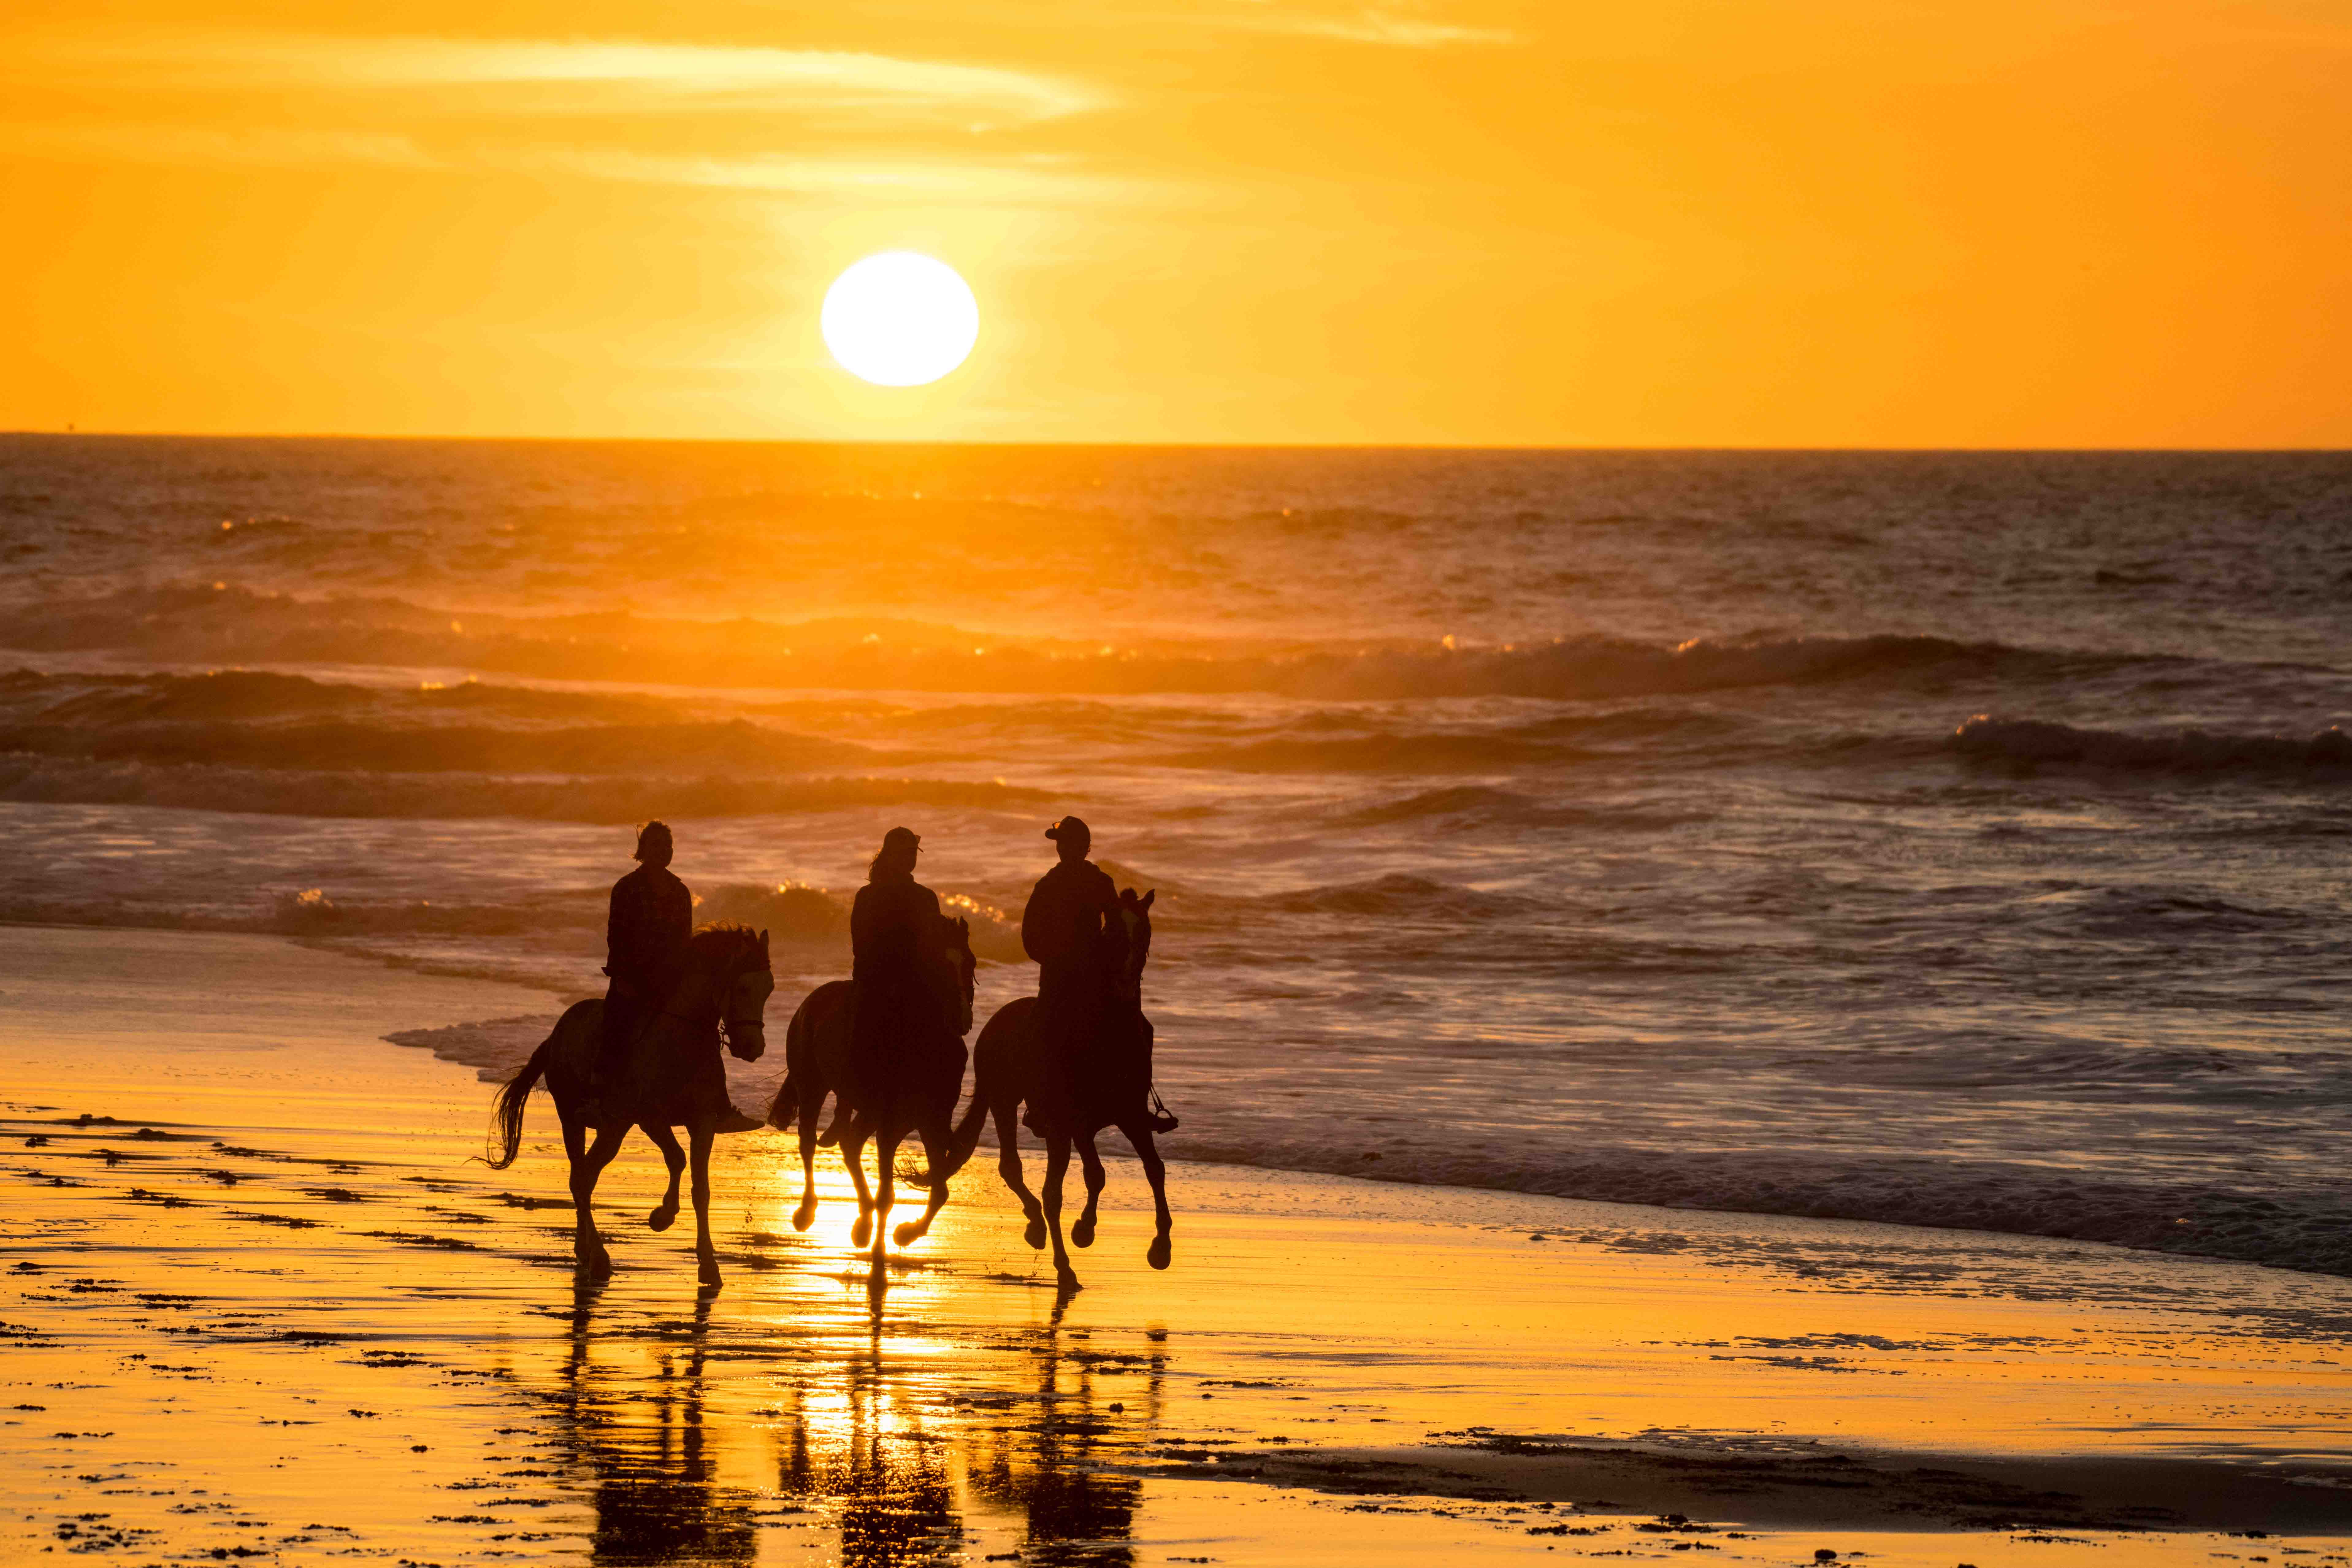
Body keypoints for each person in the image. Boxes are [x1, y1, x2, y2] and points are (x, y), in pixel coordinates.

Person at [847, 826, 955, 1122]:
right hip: (877, 979)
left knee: (950, 1039)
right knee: (863, 1033)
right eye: (904, 853)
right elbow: (862, 944)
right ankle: (855, 1094)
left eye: (913, 854)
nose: (910, 859)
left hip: (917, 980)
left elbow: (934, 944)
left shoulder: (926, 897)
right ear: (890, 856)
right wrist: (892, 974)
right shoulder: (868, 895)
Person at [601, 820, 694, 1089]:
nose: (664, 850)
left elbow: (684, 941)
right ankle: (600, 1089)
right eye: (656, 845)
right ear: (642, 850)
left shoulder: (680, 891)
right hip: (634, 977)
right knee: (617, 1027)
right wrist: (622, 979)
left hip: (671, 979)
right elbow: (616, 937)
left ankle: (715, 1100)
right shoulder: (627, 887)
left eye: (668, 845)